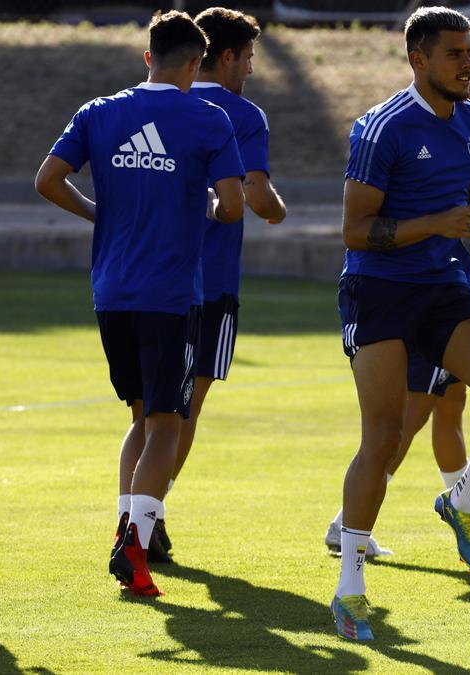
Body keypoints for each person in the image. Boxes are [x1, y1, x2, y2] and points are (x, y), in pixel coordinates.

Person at [331, 7, 470, 640]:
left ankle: (463, 501)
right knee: (386, 431)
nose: (468, 62)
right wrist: (436, 226)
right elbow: (356, 231)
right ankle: (348, 588)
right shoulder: (382, 128)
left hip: (444, 291)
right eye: (454, 52)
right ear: (417, 59)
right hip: (380, 291)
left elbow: (469, 205)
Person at [35, 11, 245, 596]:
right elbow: (232, 205)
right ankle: (135, 539)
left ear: (147, 57)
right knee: (166, 425)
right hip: (172, 294)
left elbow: (47, 180)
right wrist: (202, 204)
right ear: (195, 65)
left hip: (112, 291)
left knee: (139, 416)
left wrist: (98, 213)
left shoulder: (98, 112)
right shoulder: (209, 117)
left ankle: (128, 530)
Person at [146, 5, 289, 564]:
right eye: (249, 57)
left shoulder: (151, 102)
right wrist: (276, 209)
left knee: (149, 409)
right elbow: (254, 196)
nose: (250, 69)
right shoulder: (241, 115)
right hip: (210, 283)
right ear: (224, 56)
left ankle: (136, 510)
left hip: (145, 276)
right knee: (186, 409)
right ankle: (148, 513)